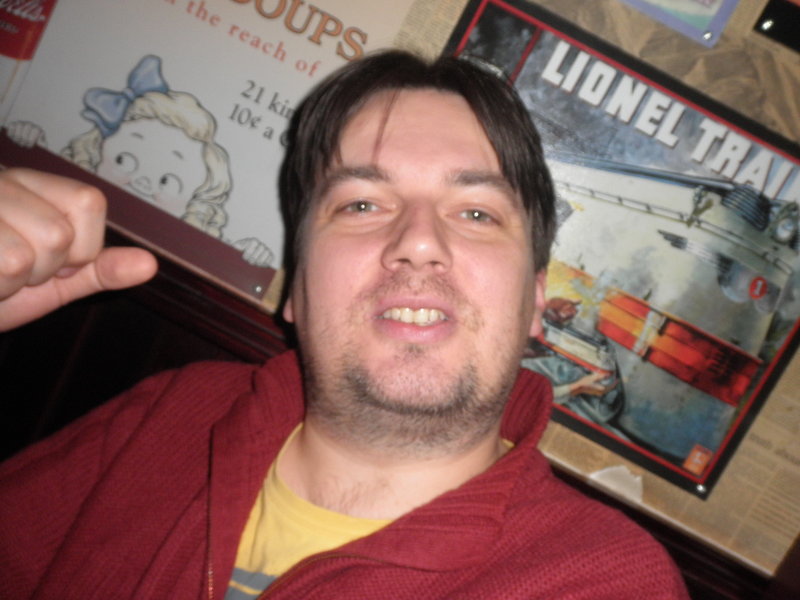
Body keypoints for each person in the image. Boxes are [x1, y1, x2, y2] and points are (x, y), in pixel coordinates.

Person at [0, 50, 689, 599]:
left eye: (477, 214)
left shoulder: (605, 583)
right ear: (296, 286)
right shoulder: (173, 414)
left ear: (536, 300)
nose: (419, 242)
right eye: (361, 205)